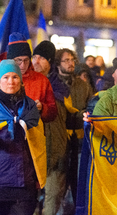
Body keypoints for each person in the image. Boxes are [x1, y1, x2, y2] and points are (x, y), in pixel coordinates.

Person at [0, 60, 43, 215]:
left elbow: (37, 140)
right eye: (5, 77)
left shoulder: (30, 106)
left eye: (15, 77)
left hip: (24, 184)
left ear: (21, 79)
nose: (11, 81)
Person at [32, 41, 69, 215]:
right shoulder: (25, 85)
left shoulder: (61, 88)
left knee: (52, 202)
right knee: (29, 203)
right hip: (33, 154)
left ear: (50, 62)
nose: (36, 61)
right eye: (34, 57)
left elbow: (67, 118)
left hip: (56, 154)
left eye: (41, 58)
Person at [55, 48, 93, 210]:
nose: (71, 63)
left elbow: (90, 107)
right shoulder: (53, 84)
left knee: (79, 185)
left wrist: (84, 116)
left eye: (72, 60)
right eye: (66, 60)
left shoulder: (82, 85)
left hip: (78, 140)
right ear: (58, 63)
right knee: (57, 190)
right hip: (59, 141)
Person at [6, 32, 57, 123]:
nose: (22, 65)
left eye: (26, 60)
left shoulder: (42, 81)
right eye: (18, 61)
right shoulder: (2, 78)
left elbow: (53, 112)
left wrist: (42, 108)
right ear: (11, 60)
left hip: (33, 134)